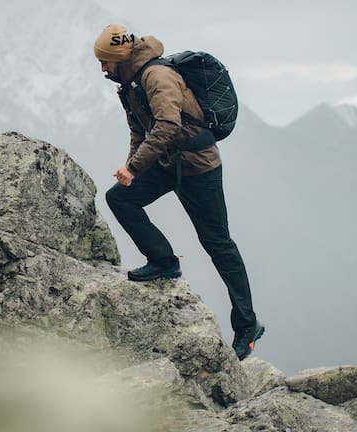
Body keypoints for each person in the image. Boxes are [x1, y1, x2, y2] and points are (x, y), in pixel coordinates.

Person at [93, 24, 264, 360]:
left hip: (199, 166)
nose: (102, 69)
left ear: (119, 58)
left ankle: (247, 325)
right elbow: (139, 132)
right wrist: (132, 168)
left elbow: (168, 125)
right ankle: (163, 262)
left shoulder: (156, 77)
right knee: (120, 197)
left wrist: (136, 167)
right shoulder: (130, 85)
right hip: (168, 163)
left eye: (105, 62)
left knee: (217, 243)